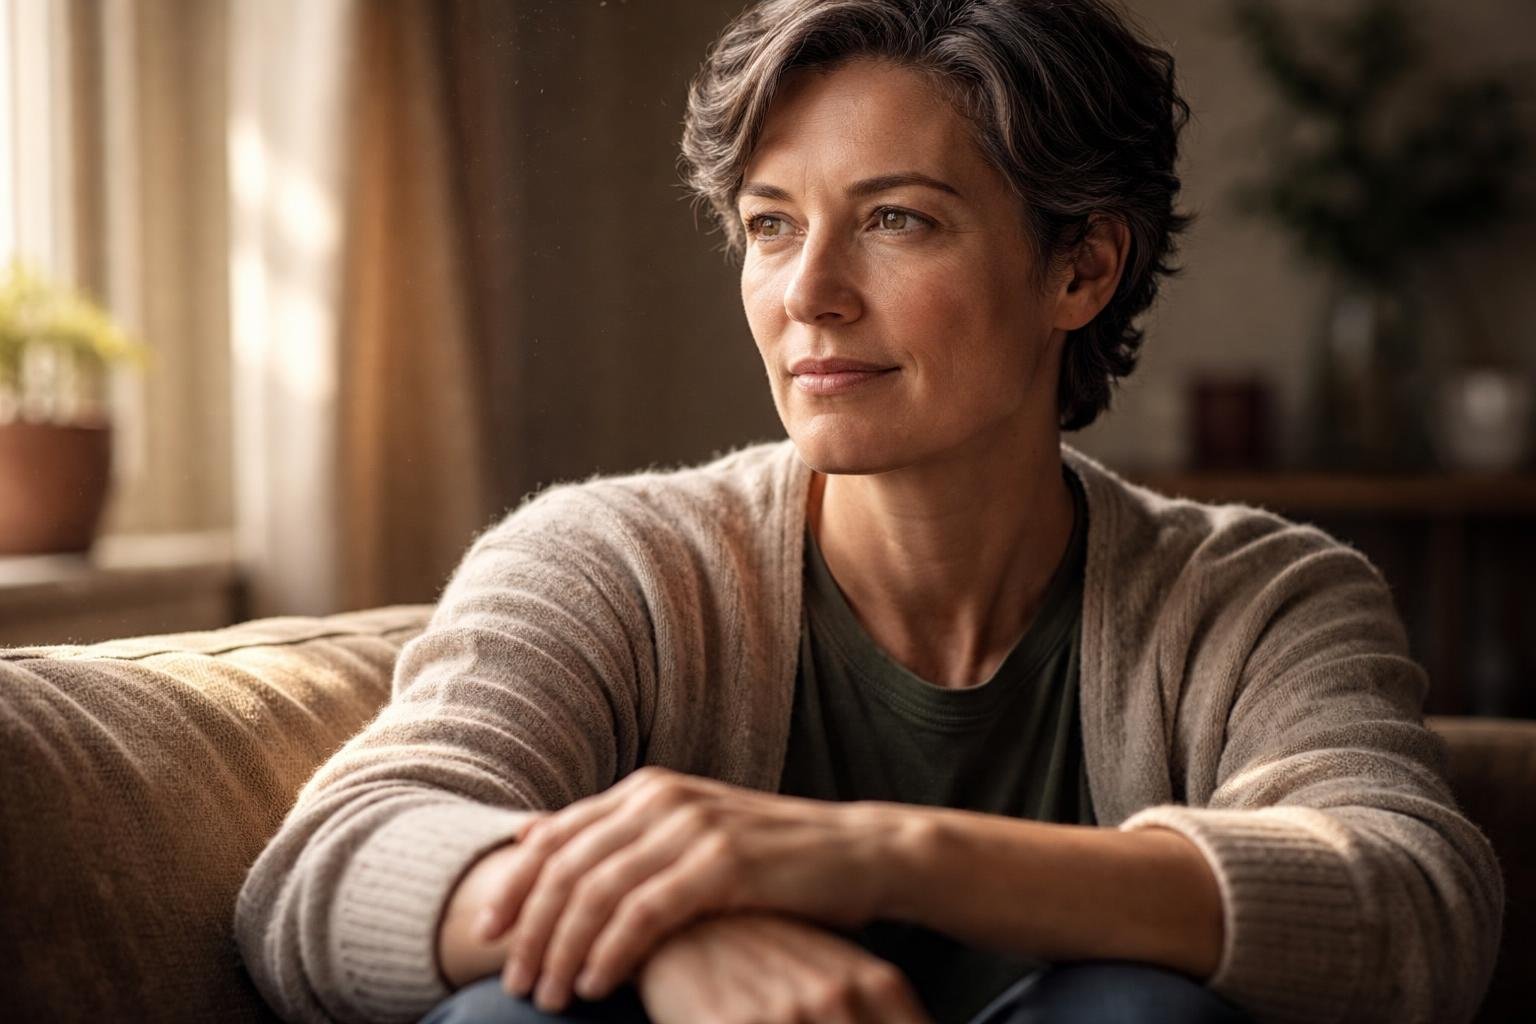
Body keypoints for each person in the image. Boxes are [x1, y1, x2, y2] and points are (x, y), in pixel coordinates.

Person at [234, 1, 1504, 1022]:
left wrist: (883, 854)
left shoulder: (1258, 597)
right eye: (771, 225)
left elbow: (1411, 904)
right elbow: (328, 866)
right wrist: (678, 926)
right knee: (519, 1002)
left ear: (1082, 265)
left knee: (1141, 1006)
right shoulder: (611, 561)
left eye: (896, 219)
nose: (811, 295)